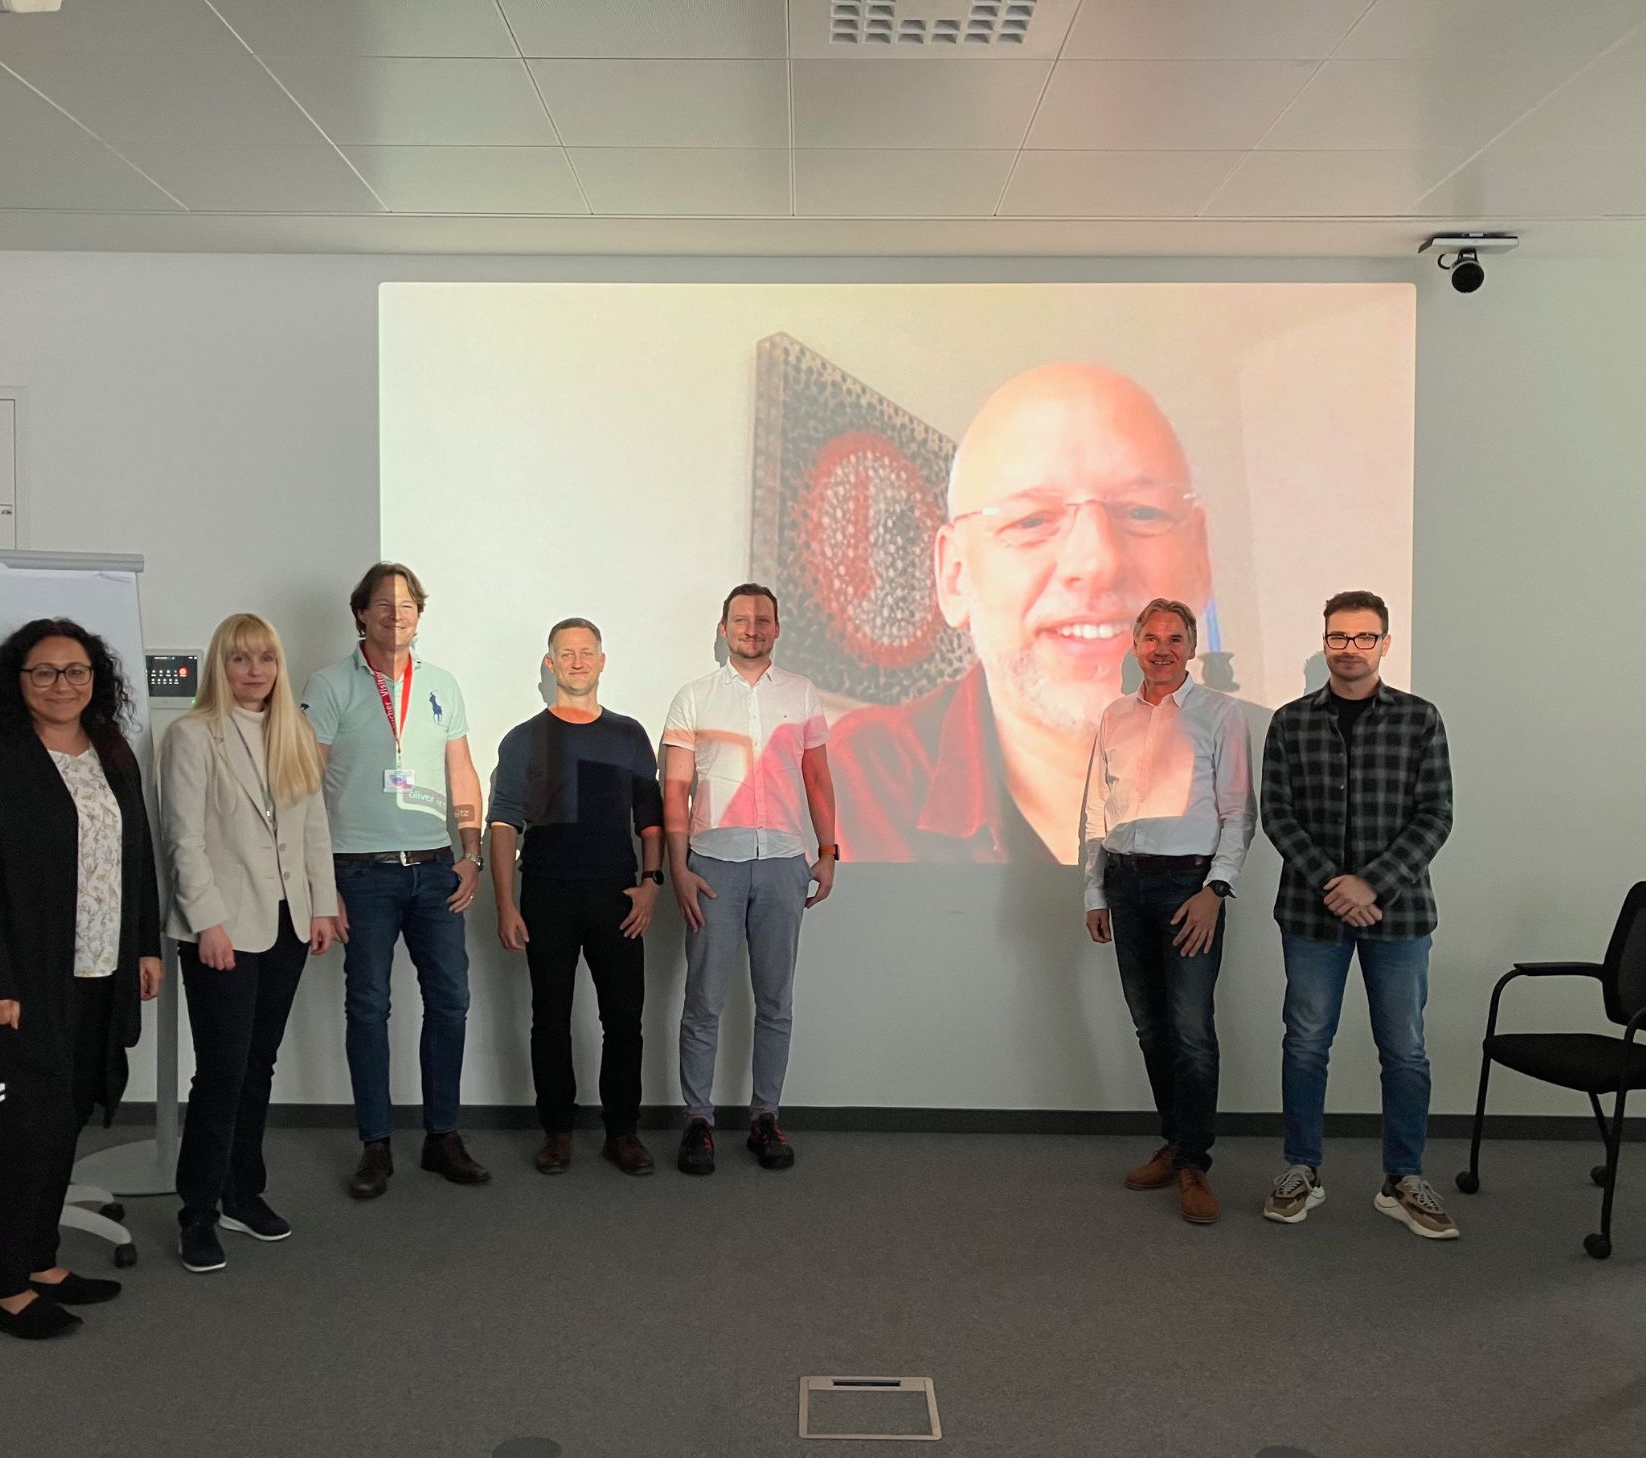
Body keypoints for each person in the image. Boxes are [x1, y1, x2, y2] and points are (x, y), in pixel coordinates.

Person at [828, 362, 1216, 864]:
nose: (1097, 562)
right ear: (955, 575)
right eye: (1031, 520)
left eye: (1144, 512)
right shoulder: (842, 791)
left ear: (1200, 557)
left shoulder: (1295, 768)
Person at [0, 619, 162, 1339]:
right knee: (30, 1127)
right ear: (18, 680)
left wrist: (146, 946)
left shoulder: (110, 749)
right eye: (44, 671)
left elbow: (136, 855)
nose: (62, 685)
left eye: (76, 671)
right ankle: (3, 1286)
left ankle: (41, 1261)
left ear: (96, 679)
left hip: (102, 969)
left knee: (66, 1118)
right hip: (27, 977)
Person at [1259, 590, 1458, 1238]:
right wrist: (1334, 884)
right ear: (1325, 643)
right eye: (1338, 637)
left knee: (1405, 1051)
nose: (1350, 648)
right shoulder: (1290, 722)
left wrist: (1372, 884)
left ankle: (1403, 1179)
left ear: (1385, 643)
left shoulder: (1420, 719)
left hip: (1400, 916)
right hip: (1311, 915)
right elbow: (1277, 814)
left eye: (1364, 637)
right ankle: (1302, 1169)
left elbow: (1436, 816)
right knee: (1305, 1044)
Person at [301, 562, 488, 1199]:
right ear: (361, 613)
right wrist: (320, 883)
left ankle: (443, 1136)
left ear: (419, 615)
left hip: (436, 870)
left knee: (451, 1002)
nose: (396, 615)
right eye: (383, 604)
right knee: (369, 1007)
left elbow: (461, 770)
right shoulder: (329, 685)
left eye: (407, 605)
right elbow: (305, 787)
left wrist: (472, 852)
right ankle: (375, 1145)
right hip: (361, 874)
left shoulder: (442, 684)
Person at [161, 613, 339, 1272]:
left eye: (265, 658)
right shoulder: (191, 735)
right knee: (222, 1071)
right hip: (222, 928)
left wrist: (323, 906)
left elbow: (313, 827)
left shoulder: (294, 731)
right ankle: (197, 1211)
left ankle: (242, 1193)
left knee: (259, 1064)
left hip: (288, 923)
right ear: (221, 666)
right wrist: (208, 922)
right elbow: (183, 839)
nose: (255, 671)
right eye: (240, 659)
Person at [1083, 598, 1253, 1225]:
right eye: (1151, 638)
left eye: (1174, 638)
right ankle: (1176, 1143)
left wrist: (1216, 889)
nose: (1162, 649)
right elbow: (1095, 808)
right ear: (1135, 646)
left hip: (1189, 888)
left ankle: (1194, 1163)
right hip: (1125, 884)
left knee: (1191, 1029)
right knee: (1150, 1028)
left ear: (1191, 648)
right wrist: (1094, 890)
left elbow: (1239, 811)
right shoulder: (1114, 716)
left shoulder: (1220, 713)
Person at [664, 584, 836, 1175]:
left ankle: (766, 1117)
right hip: (712, 863)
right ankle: (698, 1121)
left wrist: (829, 851)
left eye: (763, 619)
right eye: (741, 619)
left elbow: (818, 778)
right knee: (703, 1002)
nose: (753, 628)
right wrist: (678, 867)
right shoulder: (694, 697)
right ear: (724, 628)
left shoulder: (802, 693)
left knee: (776, 1002)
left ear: (777, 628)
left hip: (784, 862)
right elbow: (674, 790)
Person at [488, 618, 665, 1177]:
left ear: (602, 661)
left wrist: (651, 884)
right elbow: (503, 824)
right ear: (551, 664)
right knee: (550, 1020)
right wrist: (505, 903)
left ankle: (623, 1134)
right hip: (547, 895)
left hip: (618, 896)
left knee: (625, 1022)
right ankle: (558, 1133)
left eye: (587, 652)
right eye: (566, 653)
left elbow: (650, 818)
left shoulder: (629, 735)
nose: (578, 661)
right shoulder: (523, 739)